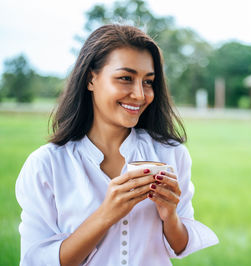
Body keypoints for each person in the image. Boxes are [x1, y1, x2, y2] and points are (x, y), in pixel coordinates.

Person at [15, 24, 218, 266]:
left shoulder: (171, 154)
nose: (140, 95)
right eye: (125, 78)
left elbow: (179, 247)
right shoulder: (46, 165)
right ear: (91, 78)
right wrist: (106, 214)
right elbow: (37, 260)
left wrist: (170, 216)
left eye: (148, 82)